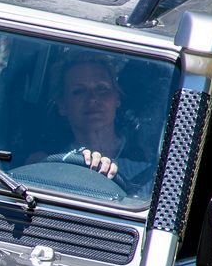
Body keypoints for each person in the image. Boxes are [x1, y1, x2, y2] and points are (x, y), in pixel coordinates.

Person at [49, 54, 151, 187]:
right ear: (62, 105)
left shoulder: (149, 162)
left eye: (102, 88)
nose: (92, 99)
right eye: (79, 91)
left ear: (117, 98)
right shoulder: (53, 164)